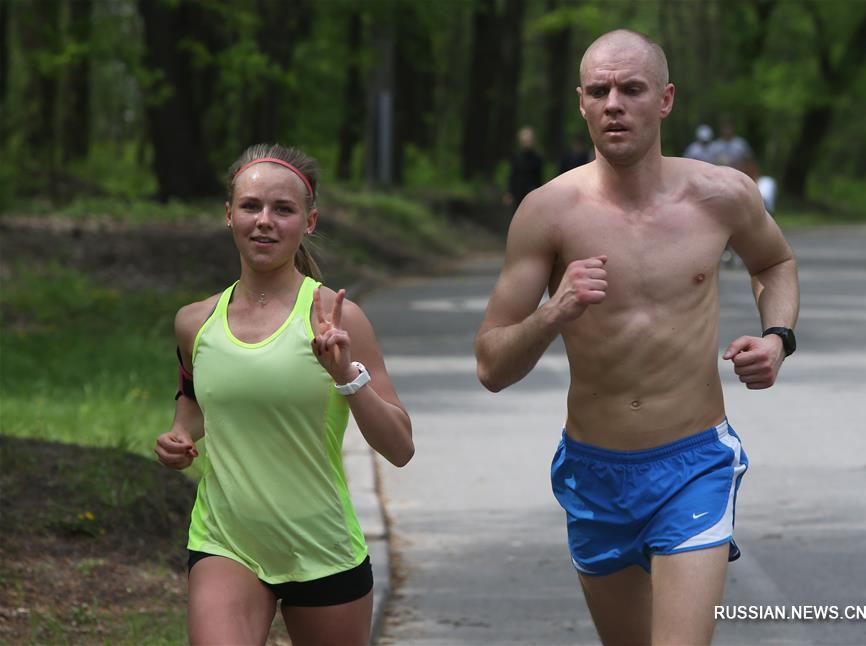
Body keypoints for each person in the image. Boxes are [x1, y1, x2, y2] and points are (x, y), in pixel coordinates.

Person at [475, 29, 798, 646]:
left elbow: (774, 263)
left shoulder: (722, 194)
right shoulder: (547, 212)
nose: (613, 103)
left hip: (694, 464)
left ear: (666, 98)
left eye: (631, 88)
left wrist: (777, 337)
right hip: (594, 471)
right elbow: (491, 365)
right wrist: (553, 312)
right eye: (598, 91)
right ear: (581, 103)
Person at [154, 143, 414, 645]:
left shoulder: (338, 320)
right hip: (226, 539)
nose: (265, 221)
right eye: (251, 206)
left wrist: (347, 377)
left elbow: (400, 448)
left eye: (284, 209)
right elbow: (193, 397)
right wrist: (178, 435)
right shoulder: (195, 323)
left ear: (309, 221)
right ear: (229, 215)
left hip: (321, 546)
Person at [504, 126, 544, 210]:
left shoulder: (537, 158)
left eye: (528, 141)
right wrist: (509, 192)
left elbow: (539, 177)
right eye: (524, 141)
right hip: (518, 192)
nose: (526, 143)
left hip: (531, 192)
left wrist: (540, 193)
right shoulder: (516, 157)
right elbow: (513, 175)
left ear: (533, 141)